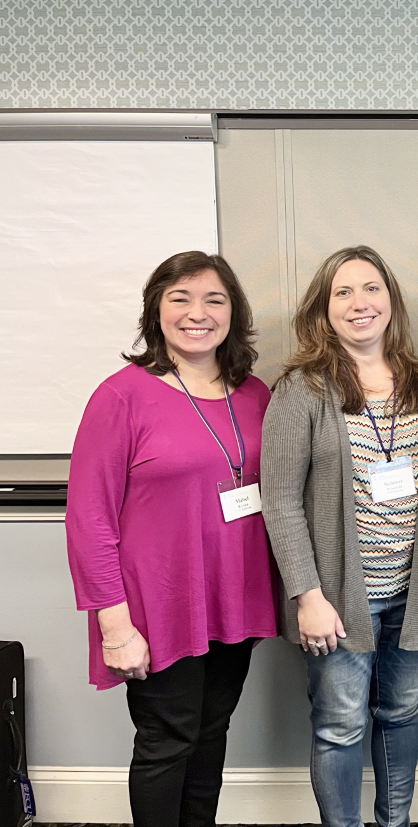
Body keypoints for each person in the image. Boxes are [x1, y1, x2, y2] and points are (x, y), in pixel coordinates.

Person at [66, 251, 278, 827]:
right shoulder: (122, 396)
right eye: (179, 299)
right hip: (156, 606)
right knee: (168, 739)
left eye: (214, 300)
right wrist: (114, 628)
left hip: (233, 600)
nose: (197, 314)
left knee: (210, 733)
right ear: (155, 311)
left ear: (234, 312)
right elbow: (88, 519)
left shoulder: (254, 394)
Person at [261, 246, 418, 827]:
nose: (359, 303)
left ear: (391, 300)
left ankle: (395, 822)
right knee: (340, 726)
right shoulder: (302, 389)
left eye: (371, 288)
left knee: (402, 714)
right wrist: (307, 597)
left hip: (413, 591)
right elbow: (280, 501)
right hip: (338, 599)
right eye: (342, 292)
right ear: (324, 308)